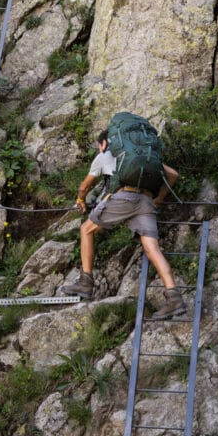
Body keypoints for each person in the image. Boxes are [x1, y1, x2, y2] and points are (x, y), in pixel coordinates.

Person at [61, 129, 184, 320]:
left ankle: (86, 281)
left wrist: (80, 200)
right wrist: (158, 199)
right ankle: (174, 298)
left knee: (86, 230)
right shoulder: (143, 156)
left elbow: (84, 186)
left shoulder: (104, 155)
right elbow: (173, 175)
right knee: (152, 249)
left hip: (124, 197)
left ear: (103, 143)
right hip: (146, 201)